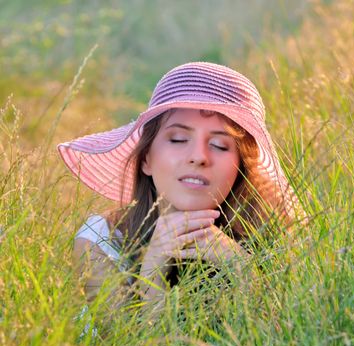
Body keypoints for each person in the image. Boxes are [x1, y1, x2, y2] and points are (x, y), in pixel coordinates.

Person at [57, 62, 302, 308]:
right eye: (178, 139)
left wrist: (242, 269)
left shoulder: (275, 239)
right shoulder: (102, 241)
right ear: (146, 160)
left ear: (241, 169)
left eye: (219, 145)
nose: (199, 156)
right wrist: (153, 272)